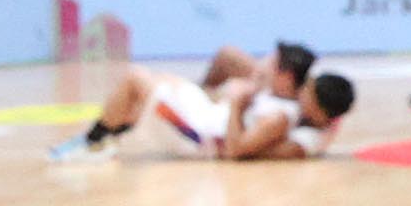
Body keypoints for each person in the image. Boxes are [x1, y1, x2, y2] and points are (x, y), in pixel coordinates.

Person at [81, 44, 357, 158]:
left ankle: (90, 143)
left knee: (135, 79)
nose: (303, 93)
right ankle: (112, 131)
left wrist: (237, 105)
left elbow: (237, 151)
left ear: (320, 110)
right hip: (211, 116)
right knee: (158, 81)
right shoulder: (308, 111)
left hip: (199, 135)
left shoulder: (287, 123)